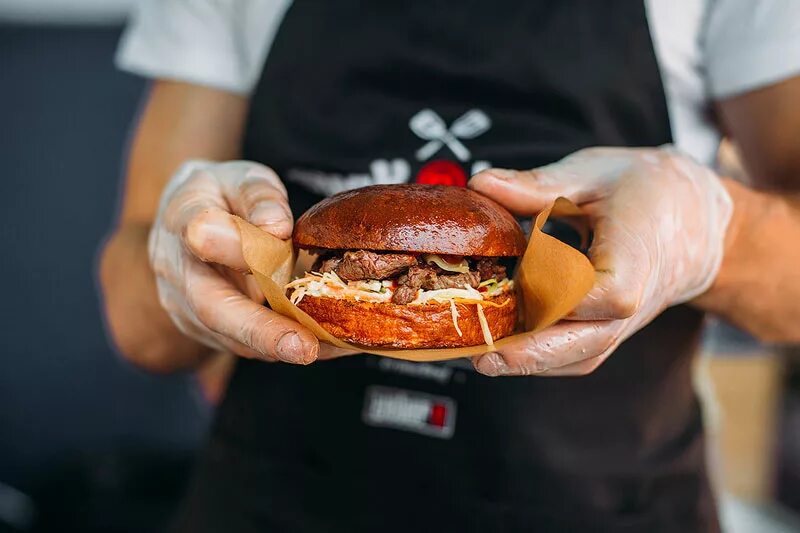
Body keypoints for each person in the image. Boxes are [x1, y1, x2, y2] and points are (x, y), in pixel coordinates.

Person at [100, 1, 800, 531]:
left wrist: (710, 231)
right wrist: (181, 252)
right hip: (276, 494)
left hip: (607, 502)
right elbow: (139, 329)